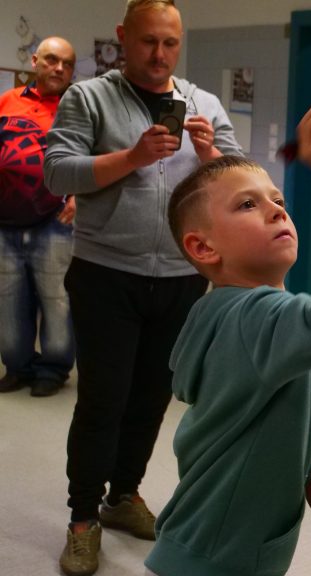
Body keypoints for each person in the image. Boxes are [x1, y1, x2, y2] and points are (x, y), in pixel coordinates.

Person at [43, 1, 242, 574]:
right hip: (106, 273)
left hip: (181, 276)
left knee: (153, 397)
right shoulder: (88, 98)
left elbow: (242, 181)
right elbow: (57, 171)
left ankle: (123, 495)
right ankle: (83, 519)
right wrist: (131, 157)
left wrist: (211, 156)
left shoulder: (203, 104)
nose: (160, 55)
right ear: (123, 38)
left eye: (170, 43)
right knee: (102, 400)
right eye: (149, 41)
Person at [145, 103, 311, 576]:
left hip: (209, 550)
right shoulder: (253, 318)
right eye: (247, 205)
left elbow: (262, 411)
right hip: (216, 563)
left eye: (277, 200)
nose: (275, 210)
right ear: (203, 247)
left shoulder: (243, 316)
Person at [0, 37, 77, 397]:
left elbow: (94, 159)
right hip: (4, 221)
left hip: (54, 220)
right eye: (51, 60)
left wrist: (80, 196)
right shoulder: (7, 101)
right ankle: (18, 366)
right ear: (35, 61)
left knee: (56, 299)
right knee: (8, 299)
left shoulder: (77, 109)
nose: (59, 68)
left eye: (67, 63)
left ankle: (53, 369)